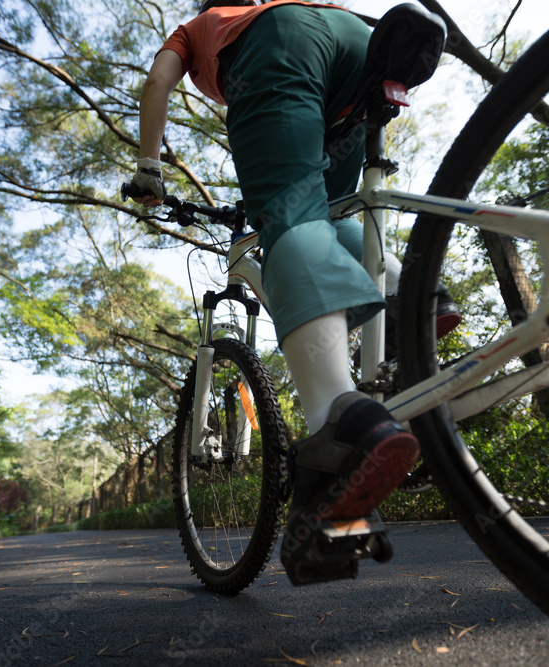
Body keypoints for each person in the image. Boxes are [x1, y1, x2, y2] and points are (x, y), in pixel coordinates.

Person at [131, 0, 454, 576]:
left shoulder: (204, 26)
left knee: (289, 218)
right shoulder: (273, 3)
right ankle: (416, 300)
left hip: (285, 47)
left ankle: (341, 419)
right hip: (363, 46)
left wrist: (149, 170)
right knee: (329, 215)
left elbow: (157, 82)